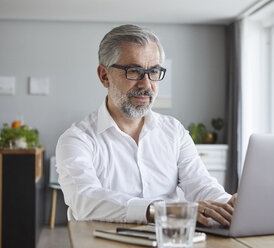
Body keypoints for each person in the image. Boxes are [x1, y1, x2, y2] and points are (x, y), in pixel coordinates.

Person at [56, 24, 237, 227]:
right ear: (104, 76)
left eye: (153, 71)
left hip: (168, 240)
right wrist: (161, 211)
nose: (146, 84)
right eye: (133, 71)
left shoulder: (173, 131)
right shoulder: (76, 139)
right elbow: (85, 200)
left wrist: (228, 205)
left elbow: (200, 184)